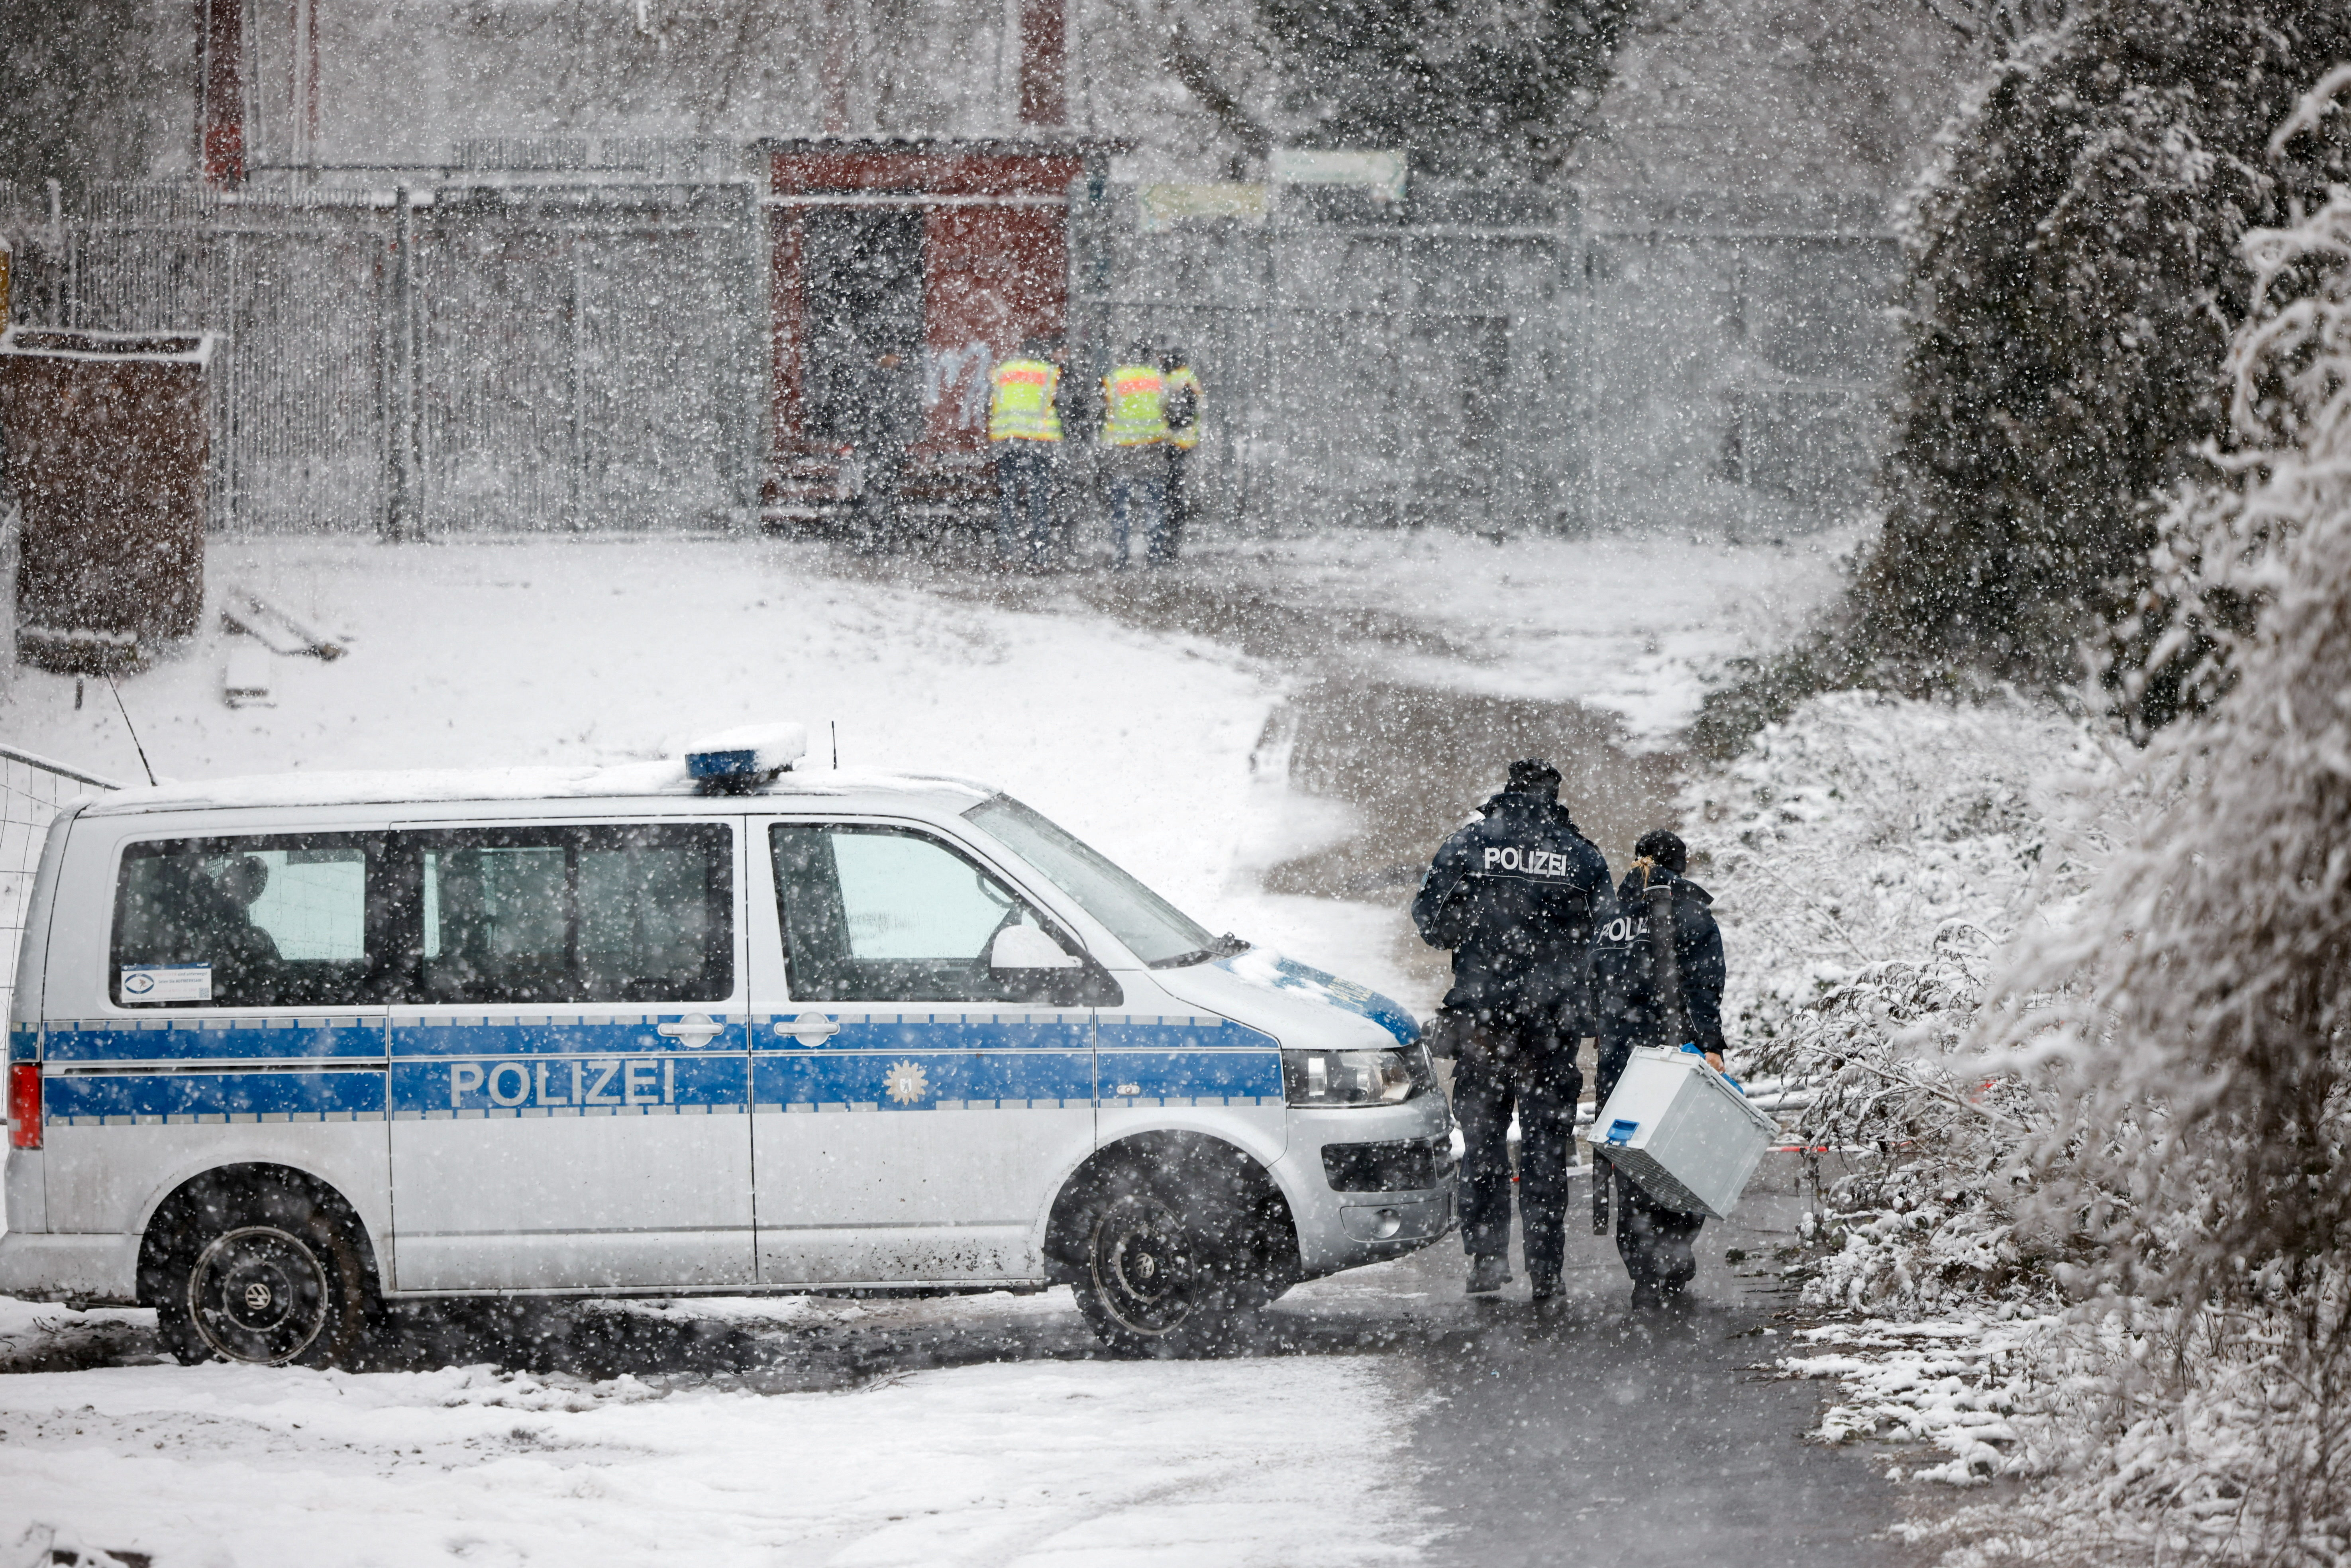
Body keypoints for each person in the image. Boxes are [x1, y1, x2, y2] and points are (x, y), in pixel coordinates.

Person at [1411, 759, 1613, 1302]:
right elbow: (1607, 941)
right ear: (1554, 794)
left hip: (1484, 1020)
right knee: (1547, 1148)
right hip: (1552, 1024)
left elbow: (1431, 923)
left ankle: (1487, 1257)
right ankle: (1547, 1270)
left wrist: (1478, 931)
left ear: (1508, 789)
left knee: (1483, 1141)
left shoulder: (1473, 842)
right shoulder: (1582, 855)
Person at [1591, 828, 1728, 1309]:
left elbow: (1593, 986)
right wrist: (1709, 1045)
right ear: (1680, 865)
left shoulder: (1610, 916)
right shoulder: (1691, 914)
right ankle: (1673, 1253)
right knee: (1683, 1157)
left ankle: (1643, 1270)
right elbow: (1704, 989)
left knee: (1632, 1166)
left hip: (1619, 1063)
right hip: (1674, 1057)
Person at [989, 338, 1064, 569]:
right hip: (1039, 443)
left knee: (1008, 500)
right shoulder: (1050, 373)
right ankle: (1039, 558)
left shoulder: (1003, 372)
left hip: (1008, 441)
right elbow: (1064, 405)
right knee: (1039, 500)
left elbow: (991, 402)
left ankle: (1007, 556)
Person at [1099, 340, 1168, 568]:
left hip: (1123, 446)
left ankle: (1121, 555)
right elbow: (1168, 406)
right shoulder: (1159, 379)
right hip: (1152, 445)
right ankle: (1155, 555)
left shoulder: (1115, 378)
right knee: (1154, 502)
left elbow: (1106, 408)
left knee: (1121, 505)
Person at [1159, 345, 1202, 559]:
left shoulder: (1176, 381)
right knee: (1175, 494)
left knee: (1171, 495)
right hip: (1186, 442)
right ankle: (1172, 542)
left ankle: (1169, 545)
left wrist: (1165, 428)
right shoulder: (1188, 378)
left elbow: (1178, 414)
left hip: (1175, 444)